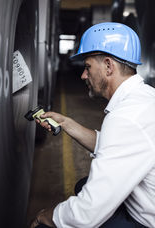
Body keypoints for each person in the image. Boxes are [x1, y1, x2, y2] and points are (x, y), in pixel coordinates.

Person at [30, 22, 155, 228]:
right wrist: (68, 124)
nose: (83, 75)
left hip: (147, 220)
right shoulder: (144, 97)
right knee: (83, 185)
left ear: (108, 66)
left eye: (87, 67)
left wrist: (48, 215)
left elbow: (87, 214)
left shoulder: (126, 118)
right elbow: (118, 147)